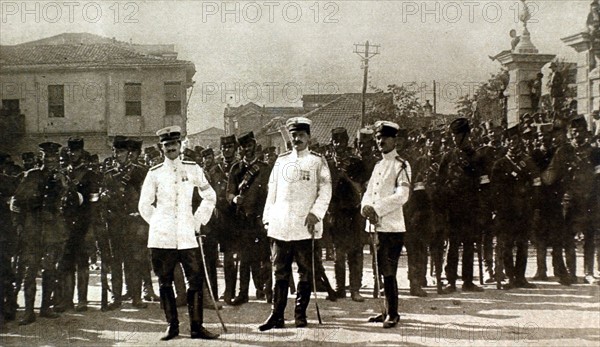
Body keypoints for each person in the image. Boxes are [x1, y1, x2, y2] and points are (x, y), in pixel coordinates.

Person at [138, 125, 219, 340]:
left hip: (186, 235)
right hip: (161, 237)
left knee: (195, 281)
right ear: (161, 148)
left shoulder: (193, 169)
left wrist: (198, 220)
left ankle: (196, 327)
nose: (171, 148)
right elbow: (144, 204)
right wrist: (158, 221)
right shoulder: (154, 173)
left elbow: (209, 195)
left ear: (180, 145)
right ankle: (172, 326)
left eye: (174, 144)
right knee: (165, 282)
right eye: (166, 145)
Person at [259, 117, 332, 331]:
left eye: (300, 135)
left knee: (305, 273)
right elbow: (272, 191)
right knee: (279, 272)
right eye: (293, 135)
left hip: (305, 226)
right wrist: (268, 218)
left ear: (308, 137)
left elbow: (325, 191)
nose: (296, 139)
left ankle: (300, 315)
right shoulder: (281, 161)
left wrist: (316, 213)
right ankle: (277, 316)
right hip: (281, 225)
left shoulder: (318, 161)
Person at [11, 142, 79, 325]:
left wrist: (65, 186)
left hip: (53, 231)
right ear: (41, 158)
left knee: (50, 269)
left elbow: (73, 200)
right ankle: (28, 312)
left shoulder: (62, 177)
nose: (50, 161)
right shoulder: (31, 176)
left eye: (54, 158)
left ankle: (45, 308)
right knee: (29, 270)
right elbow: (16, 202)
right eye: (47, 158)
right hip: (33, 230)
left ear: (58, 160)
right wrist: (18, 225)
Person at [361, 121, 411, 329]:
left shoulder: (401, 165)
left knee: (388, 270)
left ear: (395, 140)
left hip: (392, 227)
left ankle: (393, 313)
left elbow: (402, 195)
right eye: (378, 138)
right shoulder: (378, 166)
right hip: (375, 227)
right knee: (380, 270)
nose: (381, 141)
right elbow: (368, 192)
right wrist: (365, 207)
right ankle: (384, 310)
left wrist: (377, 209)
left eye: (385, 138)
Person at [438, 118, 484, 293]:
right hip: (452, 207)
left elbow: (483, 183)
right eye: (452, 135)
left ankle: (468, 281)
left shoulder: (476, 156)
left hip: (470, 206)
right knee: (453, 244)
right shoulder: (448, 156)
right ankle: (450, 281)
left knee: (469, 244)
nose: (454, 138)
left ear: (466, 135)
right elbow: (440, 182)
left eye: (456, 135)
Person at [227, 131, 272, 305]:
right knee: (244, 259)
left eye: (250, 146)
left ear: (255, 146)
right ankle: (243, 293)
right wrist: (234, 198)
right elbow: (229, 193)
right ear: (241, 149)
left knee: (265, 258)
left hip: (261, 219)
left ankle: (268, 291)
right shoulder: (236, 169)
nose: (248, 149)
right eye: (244, 147)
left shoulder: (265, 168)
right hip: (244, 220)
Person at [327, 127, 367, 302]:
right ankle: (340, 288)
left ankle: (355, 289)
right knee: (339, 253)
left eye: (341, 141)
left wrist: (346, 175)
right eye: (335, 141)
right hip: (336, 212)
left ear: (347, 142)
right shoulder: (327, 165)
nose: (338, 145)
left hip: (354, 211)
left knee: (356, 251)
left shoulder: (356, 163)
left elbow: (362, 188)